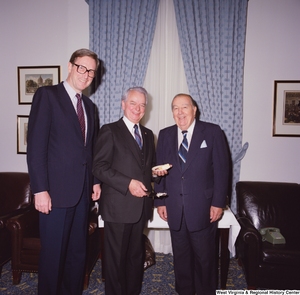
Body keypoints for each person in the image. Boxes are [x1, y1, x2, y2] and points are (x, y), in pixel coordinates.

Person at [27, 48, 101, 295]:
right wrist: (40, 189)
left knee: (76, 254)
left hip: (81, 194)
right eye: (82, 68)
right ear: (70, 66)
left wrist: (95, 181)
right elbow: (36, 148)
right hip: (54, 195)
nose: (86, 74)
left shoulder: (90, 107)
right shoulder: (47, 96)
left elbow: (89, 150)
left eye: (91, 71)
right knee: (53, 257)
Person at [154, 93, 230, 295]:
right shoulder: (165, 134)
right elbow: (158, 171)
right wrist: (159, 201)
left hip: (203, 209)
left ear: (194, 110)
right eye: (175, 108)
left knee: (205, 259)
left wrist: (218, 203)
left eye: (184, 107)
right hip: (174, 208)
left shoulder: (212, 132)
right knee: (181, 258)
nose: (180, 113)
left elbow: (222, 170)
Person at [93, 87, 160, 295]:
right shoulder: (110, 130)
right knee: (115, 261)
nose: (138, 109)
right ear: (123, 104)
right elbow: (99, 167)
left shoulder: (148, 135)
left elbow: (146, 169)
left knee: (134, 257)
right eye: (133, 103)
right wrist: (128, 183)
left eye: (142, 105)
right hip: (117, 207)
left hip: (141, 208)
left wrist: (156, 173)